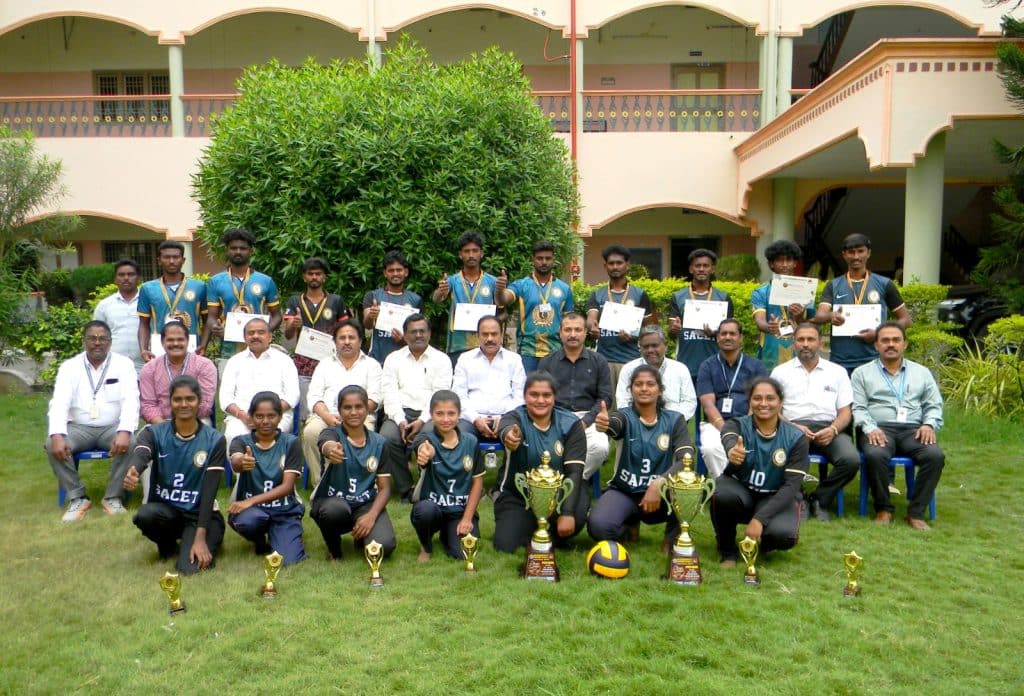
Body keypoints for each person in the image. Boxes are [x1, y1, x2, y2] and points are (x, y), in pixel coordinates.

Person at [123, 375, 225, 574]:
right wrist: (135, 469)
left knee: (189, 569)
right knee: (145, 515)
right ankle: (168, 546)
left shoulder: (215, 440)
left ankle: (205, 540)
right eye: (177, 399)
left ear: (199, 401)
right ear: (170, 402)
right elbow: (142, 453)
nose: (184, 404)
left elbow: (210, 491)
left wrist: (200, 538)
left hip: (201, 516)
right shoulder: (154, 432)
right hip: (169, 512)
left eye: (190, 399)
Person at [590, 365, 695, 550]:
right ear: (631, 390)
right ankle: (628, 524)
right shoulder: (623, 416)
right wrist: (605, 425)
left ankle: (672, 539)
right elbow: (615, 425)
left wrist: (658, 483)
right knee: (598, 527)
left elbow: (686, 460)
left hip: (662, 496)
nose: (644, 388)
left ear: (660, 390)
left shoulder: (675, 419)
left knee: (687, 488)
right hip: (625, 492)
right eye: (638, 384)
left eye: (650, 384)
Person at [852, 322, 945, 530]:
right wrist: (870, 428)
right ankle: (884, 509)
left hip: (914, 429)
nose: (890, 344)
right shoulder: (861, 373)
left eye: (896, 340)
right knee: (875, 455)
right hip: (878, 428)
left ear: (905, 344)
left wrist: (929, 424)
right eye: (885, 340)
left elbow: (934, 404)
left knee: (935, 456)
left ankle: (916, 513)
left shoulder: (922, 373)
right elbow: (858, 408)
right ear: (876, 345)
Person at [46, 320, 139, 522]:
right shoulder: (70, 367)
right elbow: (59, 403)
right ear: (84, 341)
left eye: (103, 338)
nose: (97, 343)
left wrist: (124, 431)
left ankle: (113, 497)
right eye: (92, 338)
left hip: (112, 427)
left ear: (110, 342)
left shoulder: (124, 365)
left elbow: (131, 400)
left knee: (131, 442)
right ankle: (77, 497)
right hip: (79, 428)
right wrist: (57, 434)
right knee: (51, 443)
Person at [710, 376, 808, 566]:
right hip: (742, 493)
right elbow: (728, 436)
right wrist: (732, 450)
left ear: (780, 402)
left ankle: (762, 545)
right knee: (721, 493)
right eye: (757, 398)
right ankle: (727, 551)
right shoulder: (738, 425)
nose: (763, 403)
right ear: (749, 401)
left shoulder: (796, 438)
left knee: (785, 536)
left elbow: (791, 487)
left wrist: (759, 520)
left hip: (774, 496)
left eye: (770, 398)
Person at [770, 323, 859, 522]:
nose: (805, 344)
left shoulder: (837, 372)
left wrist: (834, 429)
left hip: (829, 427)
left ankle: (820, 499)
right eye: (801, 340)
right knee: (778, 456)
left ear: (820, 343)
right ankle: (797, 499)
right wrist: (792, 426)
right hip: (791, 427)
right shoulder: (780, 372)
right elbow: (772, 410)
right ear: (794, 343)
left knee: (851, 460)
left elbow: (845, 412)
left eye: (811, 340)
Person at [493, 372, 588, 552]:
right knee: (506, 546)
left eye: (546, 395)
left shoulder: (571, 424)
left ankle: (552, 532)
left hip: (559, 495)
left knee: (576, 513)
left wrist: (567, 512)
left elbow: (574, 472)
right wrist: (509, 436)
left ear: (555, 397)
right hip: (518, 496)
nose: (540, 400)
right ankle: (537, 531)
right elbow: (506, 429)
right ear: (525, 396)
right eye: (534, 395)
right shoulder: (514, 418)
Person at [311, 386, 398, 560]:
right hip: (333, 502)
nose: (353, 412)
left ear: (367, 409)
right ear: (339, 410)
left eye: (359, 407)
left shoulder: (380, 442)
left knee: (384, 547)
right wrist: (330, 450)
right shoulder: (331, 433)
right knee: (332, 511)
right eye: (347, 408)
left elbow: (385, 488)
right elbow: (325, 443)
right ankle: (334, 549)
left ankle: (363, 535)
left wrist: (371, 516)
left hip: (365, 504)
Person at [380, 314, 453, 501]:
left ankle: (427, 484)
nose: (418, 335)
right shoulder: (393, 359)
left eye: (422, 331)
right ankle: (406, 489)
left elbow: (440, 396)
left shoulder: (442, 360)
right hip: (400, 413)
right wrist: (401, 420)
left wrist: (421, 420)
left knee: (429, 437)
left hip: (430, 415)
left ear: (429, 333)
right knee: (387, 438)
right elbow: (389, 393)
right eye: (413, 332)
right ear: (405, 335)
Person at [227, 392, 307, 565]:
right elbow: (235, 461)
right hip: (253, 513)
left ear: (279, 417)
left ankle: (283, 535)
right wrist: (241, 461)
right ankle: (259, 542)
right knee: (249, 521)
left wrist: (251, 501)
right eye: (259, 416)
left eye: (271, 416)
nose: (265, 421)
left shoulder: (291, 443)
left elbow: (287, 487)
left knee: (289, 561)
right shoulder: (241, 441)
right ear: (251, 417)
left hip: (284, 510)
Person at [814, 233, 912, 374]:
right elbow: (820, 315)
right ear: (844, 254)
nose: (856, 256)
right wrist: (830, 316)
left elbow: (906, 320)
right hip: (840, 361)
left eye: (860, 251)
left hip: (875, 359)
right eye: (851, 252)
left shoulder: (885, 284)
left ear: (868, 253)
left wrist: (879, 333)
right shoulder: (833, 285)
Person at [302, 319, 382, 485]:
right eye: (342, 338)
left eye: (351, 337)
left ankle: (359, 484)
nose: (347, 342)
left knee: (366, 431)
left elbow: (375, 398)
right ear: (335, 341)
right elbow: (314, 397)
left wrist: (353, 416)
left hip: (360, 417)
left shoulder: (372, 365)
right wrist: (327, 416)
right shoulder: (324, 365)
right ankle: (321, 484)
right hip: (327, 416)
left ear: (360, 341)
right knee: (311, 432)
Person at [410, 391, 485, 561]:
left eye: (451, 413)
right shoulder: (426, 439)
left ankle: (447, 533)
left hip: (459, 511)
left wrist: (467, 518)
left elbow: (477, 483)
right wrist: (424, 452)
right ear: (431, 416)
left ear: (459, 415)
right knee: (424, 511)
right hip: (433, 509)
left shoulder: (471, 442)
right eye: (439, 413)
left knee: (462, 554)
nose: (445, 419)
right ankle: (426, 546)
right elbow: (421, 445)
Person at [537, 312, 612, 482]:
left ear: (586, 332)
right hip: (554, 419)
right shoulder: (547, 362)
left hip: (588, 418)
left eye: (578, 330)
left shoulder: (599, 361)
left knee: (600, 447)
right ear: (560, 332)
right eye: (568, 330)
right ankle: (558, 483)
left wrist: (586, 420)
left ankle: (571, 482)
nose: (572, 334)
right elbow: (540, 397)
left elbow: (605, 398)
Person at [696, 319, 768, 477]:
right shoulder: (707, 366)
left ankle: (735, 489)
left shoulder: (756, 366)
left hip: (750, 422)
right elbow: (708, 404)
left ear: (740, 338)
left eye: (732, 333)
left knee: (757, 448)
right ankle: (726, 488)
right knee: (710, 449)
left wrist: (748, 425)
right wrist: (725, 430)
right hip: (717, 424)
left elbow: (760, 401)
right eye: (723, 334)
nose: (727, 337)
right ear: (717, 338)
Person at [282, 257, 351, 414]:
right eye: (310, 273)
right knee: (307, 410)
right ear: (304, 277)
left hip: (330, 359)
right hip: (304, 361)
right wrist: (294, 324)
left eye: (318, 274)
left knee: (332, 403)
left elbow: (344, 329)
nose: (314, 277)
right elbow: (287, 335)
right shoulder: (295, 301)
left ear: (324, 277)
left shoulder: (336, 301)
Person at [201, 227, 282, 361]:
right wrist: (215, 327)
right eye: (233, 248)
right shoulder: (215, 282)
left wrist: (263, 332)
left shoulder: (266, 281)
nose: (238, 252)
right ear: (227, 250)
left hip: (259, 350)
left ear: (251, 251)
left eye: (243, 248)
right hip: (228, 349)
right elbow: (211, 317)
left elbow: (277, 316)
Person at [585, 244, 655, 395]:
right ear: (605, 266)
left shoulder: (639, 294)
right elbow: (591, 318)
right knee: (608, 407)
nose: (615, 267)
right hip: (605, 361)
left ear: (627, 265)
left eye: (619, 263)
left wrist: (634, 335)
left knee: (631, 406)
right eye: (611, 263)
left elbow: (650, 329)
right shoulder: (598, 294)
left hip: (631, 360)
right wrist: (592, 327)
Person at [219, 317, 299, 446]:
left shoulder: (285, 361)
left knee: (273, 440)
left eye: (261, 332)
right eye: (251, 333)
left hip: (277, 416)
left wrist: (269, 416)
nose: (255, 336)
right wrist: (244, 416)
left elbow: (292, 395)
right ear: (245, 338)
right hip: (242, 417)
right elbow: (225, 398)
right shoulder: (234, 362)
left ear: (270, 336)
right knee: (233, 436)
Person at [431, 231, 507, 365]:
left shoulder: (493, 282)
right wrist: (440, 291)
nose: (471, 255)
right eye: (466, 251)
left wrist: (490, 320)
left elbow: (503, 313)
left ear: (481, 253)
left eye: (475, 251)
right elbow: (436, 299)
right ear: (460, 255)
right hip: (458, 345)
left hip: (485, 346)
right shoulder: (452, 281)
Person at [502, 240, 574, 372]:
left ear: (553, 260)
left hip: (555, 350)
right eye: (540, 258)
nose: (544, 262)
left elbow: (570, 322)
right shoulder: (521, 285)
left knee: (554, 391)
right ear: (533, 260)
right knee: (528, 391)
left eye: (548, 258)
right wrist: (499, 290)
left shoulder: (565, 289)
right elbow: (505, 298)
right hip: (527, 351)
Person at [453, 315, 526, 441]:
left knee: (515, 436)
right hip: (471, 420)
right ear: (478, 336)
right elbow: (459, 396)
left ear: (502, 335)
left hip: (506, 418)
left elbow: (520, 395)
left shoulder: (514, 360)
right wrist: (475, 419)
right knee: (462, 438)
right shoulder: (465, 359)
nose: (490, 339)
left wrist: (505, 417)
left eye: (494, 334)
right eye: (485, 334)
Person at [668, 248, 733, 381]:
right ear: (691, 269)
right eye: (698, 266)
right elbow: (671, 333)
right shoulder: (678, 297)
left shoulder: (723, 297)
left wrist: (715, 333)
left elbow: (730, 333)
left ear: (712, 269)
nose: (701, 269)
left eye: (706, 266)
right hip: (686, 365)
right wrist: (674, 329)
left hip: (716, 365)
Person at [137, 241, 207, 363]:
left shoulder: (199, 287)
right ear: (159, 260)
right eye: (167, 257)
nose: (171, 261)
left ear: (183, 260)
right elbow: (144, 323)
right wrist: (143, 349)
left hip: (191, 347)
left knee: (189, 382)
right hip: (160, 348)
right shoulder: (147, 288)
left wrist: (204, 345)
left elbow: (207, 320)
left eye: (176, 257)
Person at [139, 320, 217, 424]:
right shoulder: (149, 369)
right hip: (161, 423)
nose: (175, 343)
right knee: (143, 437)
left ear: (188, 341)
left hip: (196, 420)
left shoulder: (205, 365)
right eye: (170, 340)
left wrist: (181, 425)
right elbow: (148, 405)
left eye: (180, 339)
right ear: (162, 342)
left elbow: (205, 405)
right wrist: (166, 428)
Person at [751, 240, 813, 371]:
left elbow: (811, 325)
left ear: (795, 263)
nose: (785, 265)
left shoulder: (806, 290)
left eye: (789, 260)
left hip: (800, 350)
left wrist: (799, 316)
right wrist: (770, 327)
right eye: (779, 260)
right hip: (770, 350)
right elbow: (760, 321)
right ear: (771, 264)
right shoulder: (761, 292)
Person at [615, 325, 697, 421]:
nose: (650, 350)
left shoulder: (680, 369)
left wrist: (671, 421)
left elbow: (689, 402)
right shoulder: (629, 369)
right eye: (646, 346)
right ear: (640, 347)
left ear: (665, 345)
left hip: (673, 425)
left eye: (655, 345)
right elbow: (623, 402)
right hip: (638, 424)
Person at [363, 249, 424, 365]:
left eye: (399, 270)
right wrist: (372, 315)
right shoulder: (373, 296)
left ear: (405, 272)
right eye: (391, 270)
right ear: (385, 273)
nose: (395, 273)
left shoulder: (416, 300)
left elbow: (419, 333)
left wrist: (404, 340)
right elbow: (367, 325)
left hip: (406, 361)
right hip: (377, 361)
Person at [92, 258, 143, 372]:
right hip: (113, 368)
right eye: (121, 275)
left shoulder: (148, 303)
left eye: (131, 274)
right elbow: (96, 335)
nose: (126, 278)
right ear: (115, 279)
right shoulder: (104, 305)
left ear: (139, 278)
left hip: (144, 367)